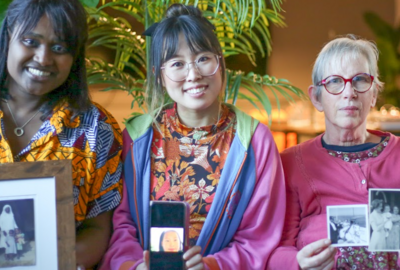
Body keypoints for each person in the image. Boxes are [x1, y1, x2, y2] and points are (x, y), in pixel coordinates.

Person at [101, 3, 286, 270]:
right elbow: (122, 223)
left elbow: (259, 236)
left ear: (220, 63)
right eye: (177, 63)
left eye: (203, 58)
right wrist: (132, 266)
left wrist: (213, 265)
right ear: (159, 75)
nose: (193, 74)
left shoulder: (255, 141)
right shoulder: (138, 137)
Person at [0, 0, 122, 268]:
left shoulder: (97, 129)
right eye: (30, 41)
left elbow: (98, 229)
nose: (43, 58)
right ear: (8, 37)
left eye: (60, 47)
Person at [267, 35, 400, 270]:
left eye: (360, 80)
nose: (349, 92)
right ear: (316, 97)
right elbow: (273, 250)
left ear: (373, 95)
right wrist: (297, 263)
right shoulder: (291, 163)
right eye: (334, 82)